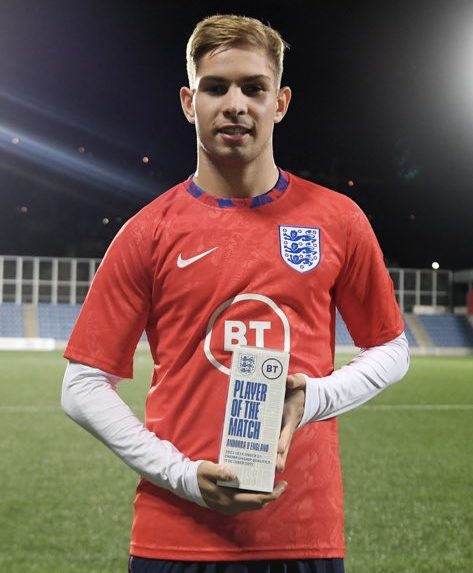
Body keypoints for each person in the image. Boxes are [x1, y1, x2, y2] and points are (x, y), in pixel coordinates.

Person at [61, 14, 409, 573]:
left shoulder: (338, 220)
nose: (235, 104)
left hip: (302, 533)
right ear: (187, 101)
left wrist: (311, 397)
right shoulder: (147, 231)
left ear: (281, 101)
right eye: (216, 87)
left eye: (254, 87)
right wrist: (182, 476)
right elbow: (81, 385)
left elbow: (392, 349)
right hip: (175, 532)